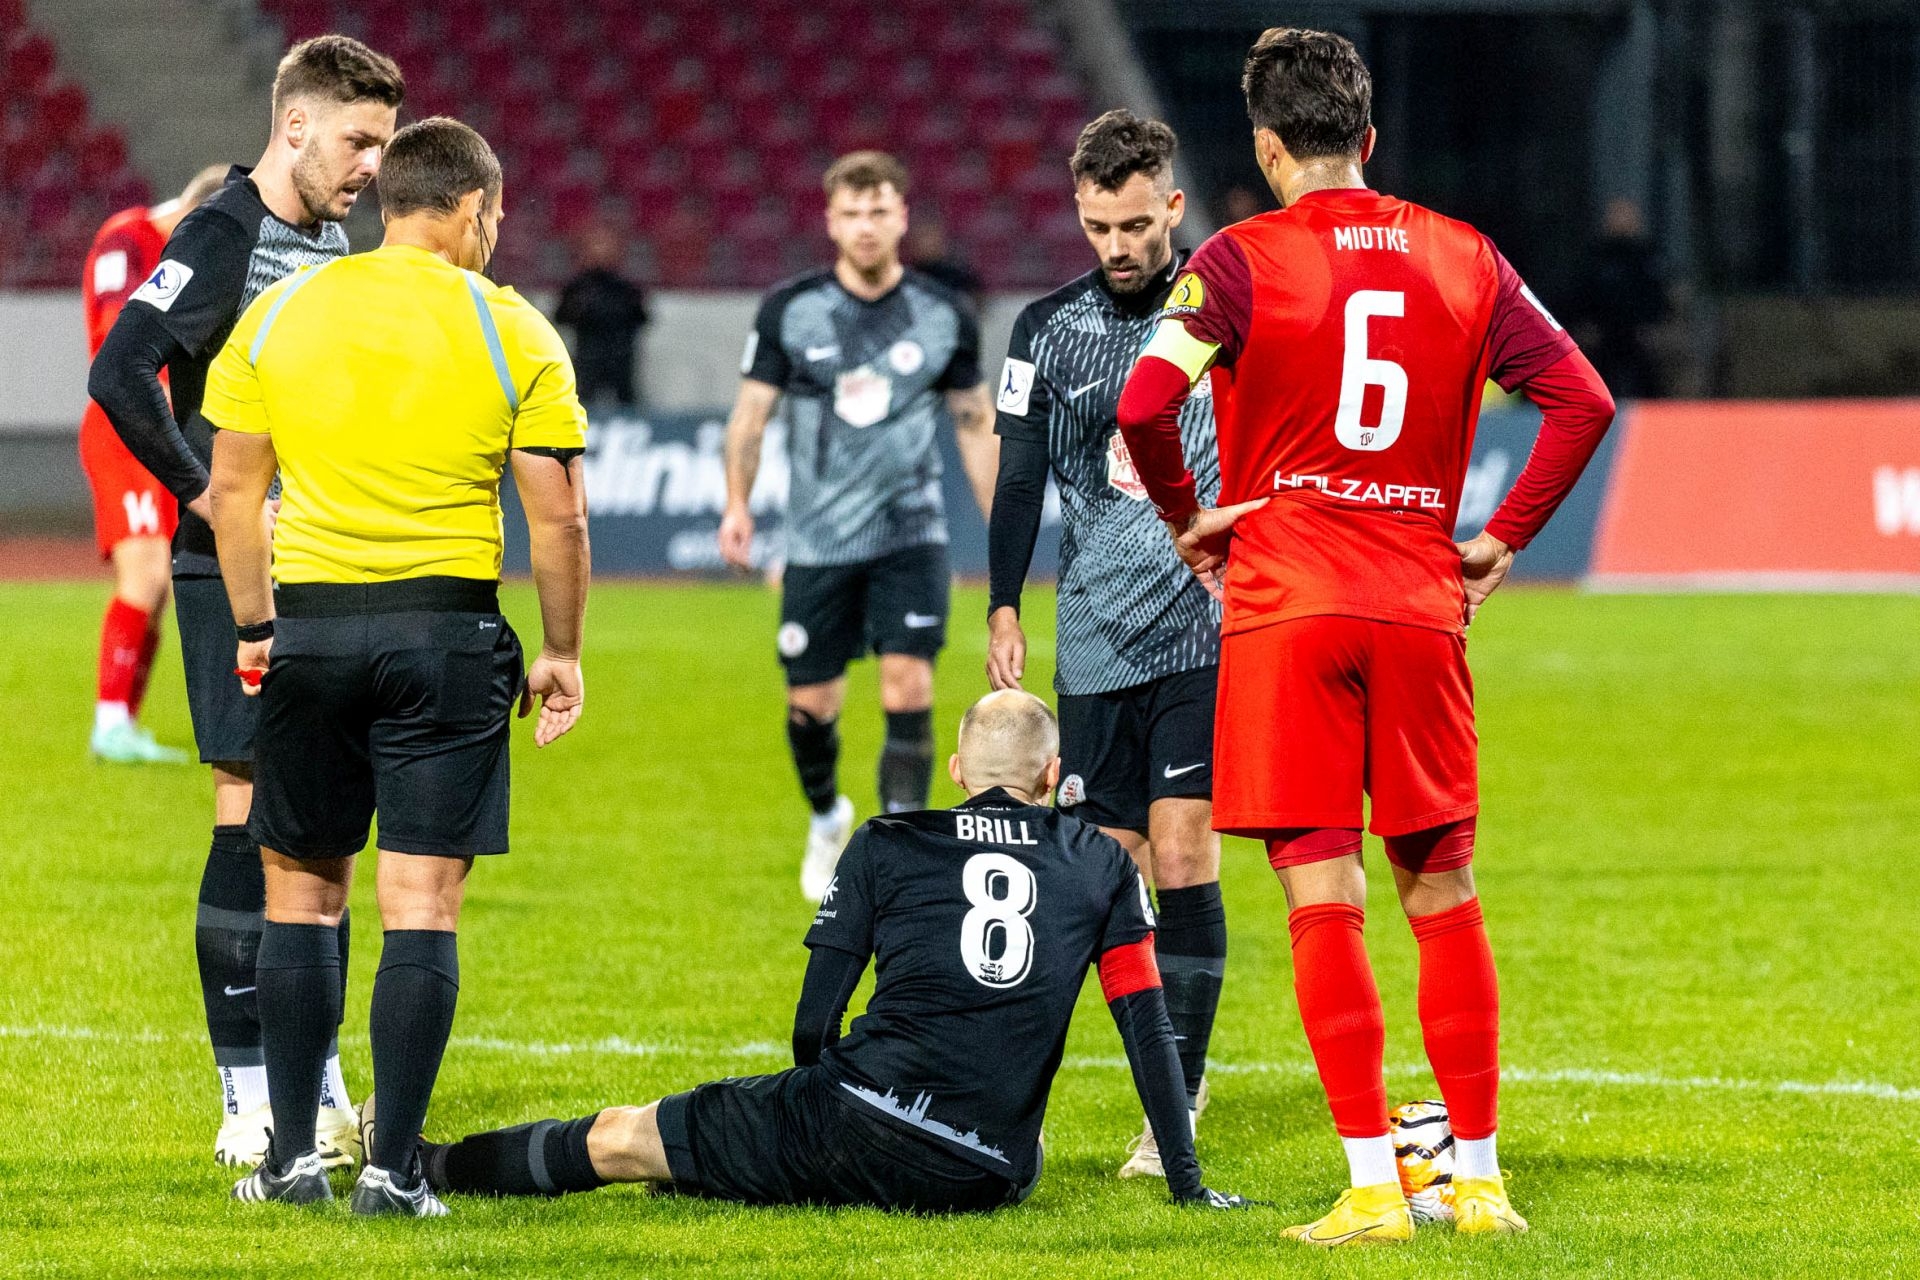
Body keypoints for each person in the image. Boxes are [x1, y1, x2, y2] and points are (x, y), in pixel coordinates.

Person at [1115, 28, 1615, 1245]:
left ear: (1266, 148)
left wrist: (1189, 519)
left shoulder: (1235, 261)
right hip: (1418, 600)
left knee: (1321, 894)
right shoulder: (1466, 254)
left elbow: (1144, 402)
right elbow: (1583, 399)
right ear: (1370, 138)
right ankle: (1480, 1182)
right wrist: (1502, 536)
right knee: (1445, 890)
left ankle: (1373, 1189)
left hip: (1290, 604)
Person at [401, 691, 1251, 1215]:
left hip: (851, 1121)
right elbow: (1150, 1032)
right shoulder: (1102, 863)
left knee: (626, 1138)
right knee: (1023, 1156)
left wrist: (825, 1106)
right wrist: (1186, 1183)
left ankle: (423, 1162)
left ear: (958, 770)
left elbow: (814, 1023)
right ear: (1054, 772)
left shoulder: (887, 841)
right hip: (988, 1169)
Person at [204, 116, 590, 1216]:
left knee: (301, 895)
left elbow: (233, 493)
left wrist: (254, 626)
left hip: (310, 631)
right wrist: (561, 649)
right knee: (420, 902)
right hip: (446, 634)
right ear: (469, 207)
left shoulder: (282, 311)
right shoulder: (510, 325)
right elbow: (558, 517)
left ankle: (291, 1162)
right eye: (494, 216)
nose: (494, 234)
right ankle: (392, 1169)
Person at [87, 34, 404, 1171]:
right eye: (358, 141)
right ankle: (247, 1095)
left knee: (323, 824)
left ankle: (315, 1078)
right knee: (250, 808)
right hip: (235, 572)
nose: (372, 166)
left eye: (383, 146)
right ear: (296, 124)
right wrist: (211, 501)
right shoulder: (223, 232)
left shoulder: (330, 238)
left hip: (327, 559)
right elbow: (121, 370)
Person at [986, 109, 1227, 1181]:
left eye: (1135, 224)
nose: (1118, 246)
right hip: (1094, 630)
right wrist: (1004, 604)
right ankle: (1021, 1097)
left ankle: (1178, 1095)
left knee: (1181, 850)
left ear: (1171, 205)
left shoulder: (1224, 305)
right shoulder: (1043, 330)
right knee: (1101, 876)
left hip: (1205, 621)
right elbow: (1021, 478)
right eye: (1098, 227)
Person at [717, 151, 999, 899]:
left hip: (911, 532)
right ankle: (825, 816)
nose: (866, 226)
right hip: (818, 541)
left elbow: (975, 423)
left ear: (902, 217)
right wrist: (738, 504)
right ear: (830, 221)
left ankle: (900, 857)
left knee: (908, 685)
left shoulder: (944, 314)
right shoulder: (791, 309)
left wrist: (1002, 522)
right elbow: (750, 418)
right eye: (852, 213)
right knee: (811, 708)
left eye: (879, 211)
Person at [78, 163, 228, 764]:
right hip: (127, 426)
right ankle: (110, 724)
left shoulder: (170, 250)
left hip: (161, 431)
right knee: (146, 574)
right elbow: (115, 334)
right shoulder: (127, 238)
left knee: (161, 581)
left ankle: (123, 724)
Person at [554, 222, 651, 410]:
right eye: (596, 245)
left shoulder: (625, 288)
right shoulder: (577, 288)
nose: (600, 251)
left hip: (620, 358)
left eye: (605, 245)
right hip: (587, 358)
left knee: (626, 404)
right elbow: (560, 317)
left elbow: (641, 318)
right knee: (581, 402)